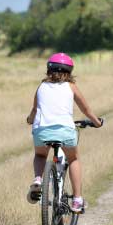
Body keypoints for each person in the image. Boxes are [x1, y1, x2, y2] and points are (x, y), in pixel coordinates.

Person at [26, 53, 102, 213]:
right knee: (73, 159)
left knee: (40, 155)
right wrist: (97, 122)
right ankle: (77, 200)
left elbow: (34, 110)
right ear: (69, 71)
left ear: (49, 69)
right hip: (65, 131)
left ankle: (38, 179)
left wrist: (29, 119)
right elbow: (86, 109)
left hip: (42, 131)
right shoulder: (71, 86)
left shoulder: (41, 86)